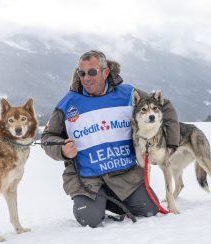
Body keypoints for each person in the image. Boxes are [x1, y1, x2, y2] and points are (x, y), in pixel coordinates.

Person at [41, 50, 180, 228]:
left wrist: (170, 144)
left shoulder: (128, 94)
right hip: (87, 179)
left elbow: (164, 106)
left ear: (105, 72)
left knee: (149, 210)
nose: (86, 78)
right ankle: (96, 205)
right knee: (90, 220)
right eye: (81, 73)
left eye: (92, 72)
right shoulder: (68, 103)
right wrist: (61, 149)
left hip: (124, 176)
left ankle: (114, 201)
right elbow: (48, 137)